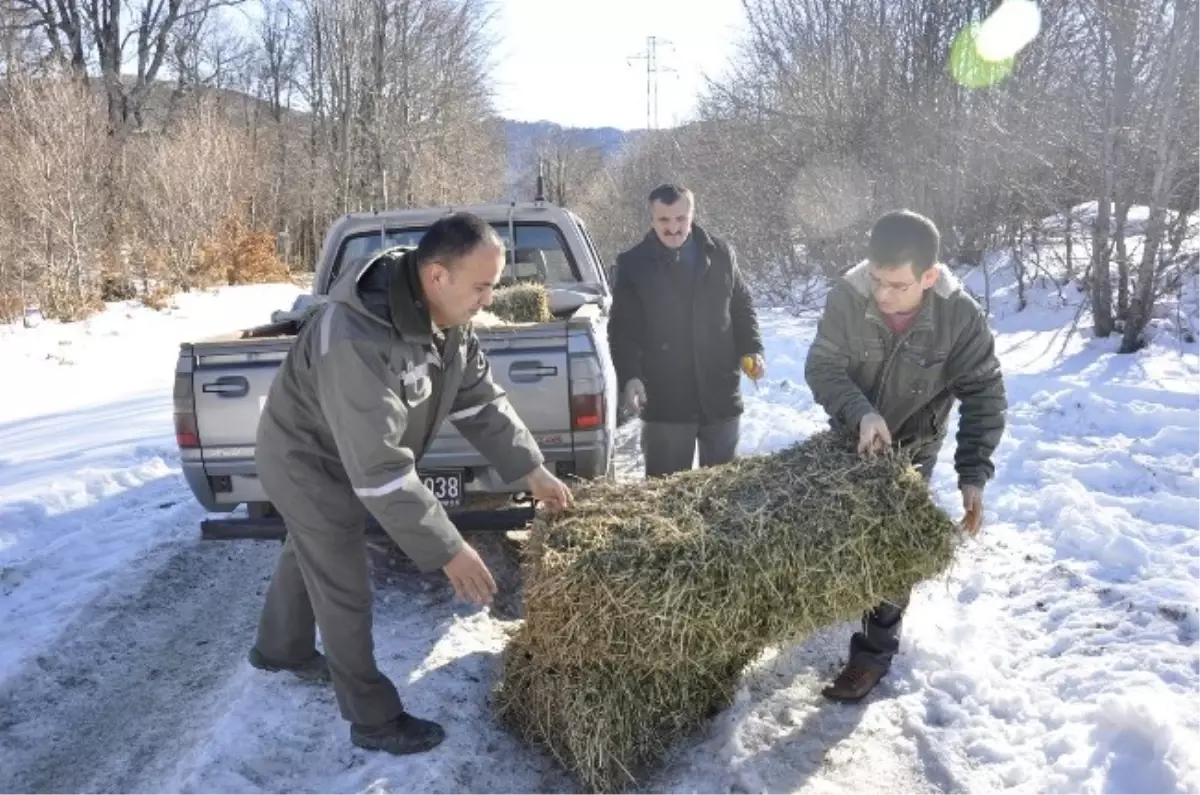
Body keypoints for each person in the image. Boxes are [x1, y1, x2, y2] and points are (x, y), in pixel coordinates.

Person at [247, 212, 573, 754]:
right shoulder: (354, 336)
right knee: (341, 575)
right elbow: (381, 473)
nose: (488, 300)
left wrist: (531, 469)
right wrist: (450, 549)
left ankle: (280, 648)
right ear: (437, 276)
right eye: (482, 286)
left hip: (358, 453)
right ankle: (372, 718)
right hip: (309, 460)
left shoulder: (446, 319)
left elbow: (481, 401)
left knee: (308, 547)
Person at [804, 209, 1006, 702]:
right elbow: (823, 366)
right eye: (877, 280)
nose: (883, 295)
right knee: (844, 528)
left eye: (897, 285)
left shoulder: (959, 317)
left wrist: (972, 473)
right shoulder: (849, 296)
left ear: (929, 277)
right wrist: (861, 414)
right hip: (849, 435)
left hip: (914, 443)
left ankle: (872, 655)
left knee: (893, 546)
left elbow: (984, 395)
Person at [607, 183, 766, 477]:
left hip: (719, 395)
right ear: (652, 219)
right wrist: (630, 376)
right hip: (665, 399)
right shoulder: (633, 264)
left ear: (692, 215)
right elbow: (622, 330)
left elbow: (742, 307)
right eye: (664, 220)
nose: (673, 228)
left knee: (721, 494)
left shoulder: (721, 253)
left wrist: (752, 349)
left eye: (680, 219)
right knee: (665, 496)